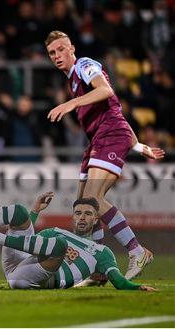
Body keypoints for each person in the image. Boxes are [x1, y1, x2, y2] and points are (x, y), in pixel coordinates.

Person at [44, 30, 165, 279]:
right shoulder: (73, 81)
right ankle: (98, 269)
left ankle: (136, 251)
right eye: (52, 53)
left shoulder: (84, 65)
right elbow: (116, 109)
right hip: (101, 138)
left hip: (109, 135)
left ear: (72, 48)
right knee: (82, 206)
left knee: (93, 200)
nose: (57, 55)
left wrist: (70, 104)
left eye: (61, 49)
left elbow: (106, 91)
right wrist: (139, 146)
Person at [0, 192, 156, 291]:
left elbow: (118, 282)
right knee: (20, 212)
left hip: (31, 280)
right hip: (16, 262)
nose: (82, 217)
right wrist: (35, 212)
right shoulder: (55, 231)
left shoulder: (102, 253)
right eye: (78, 213)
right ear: (73, 217)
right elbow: (28, 241)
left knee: (59, 246)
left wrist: (137, 287)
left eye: (88, 214)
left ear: (96, 219)